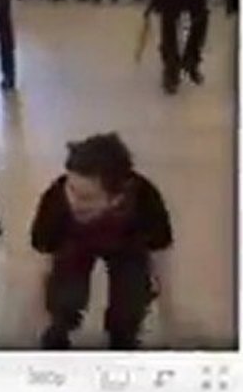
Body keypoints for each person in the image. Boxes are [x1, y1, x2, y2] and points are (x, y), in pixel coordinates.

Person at [31, 133, 174, 350]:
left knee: (131, 295)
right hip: (75, 242)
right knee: (64, 291)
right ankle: (61, 327)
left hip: (126, 242)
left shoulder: (144, 199)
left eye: (86, 198)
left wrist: (170, 308)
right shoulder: (56, 200)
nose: (74, 202)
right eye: (71, 190)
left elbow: (159, 251)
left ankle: (123, 336)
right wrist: (41, 309)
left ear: (117, 197)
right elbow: (42, 252)